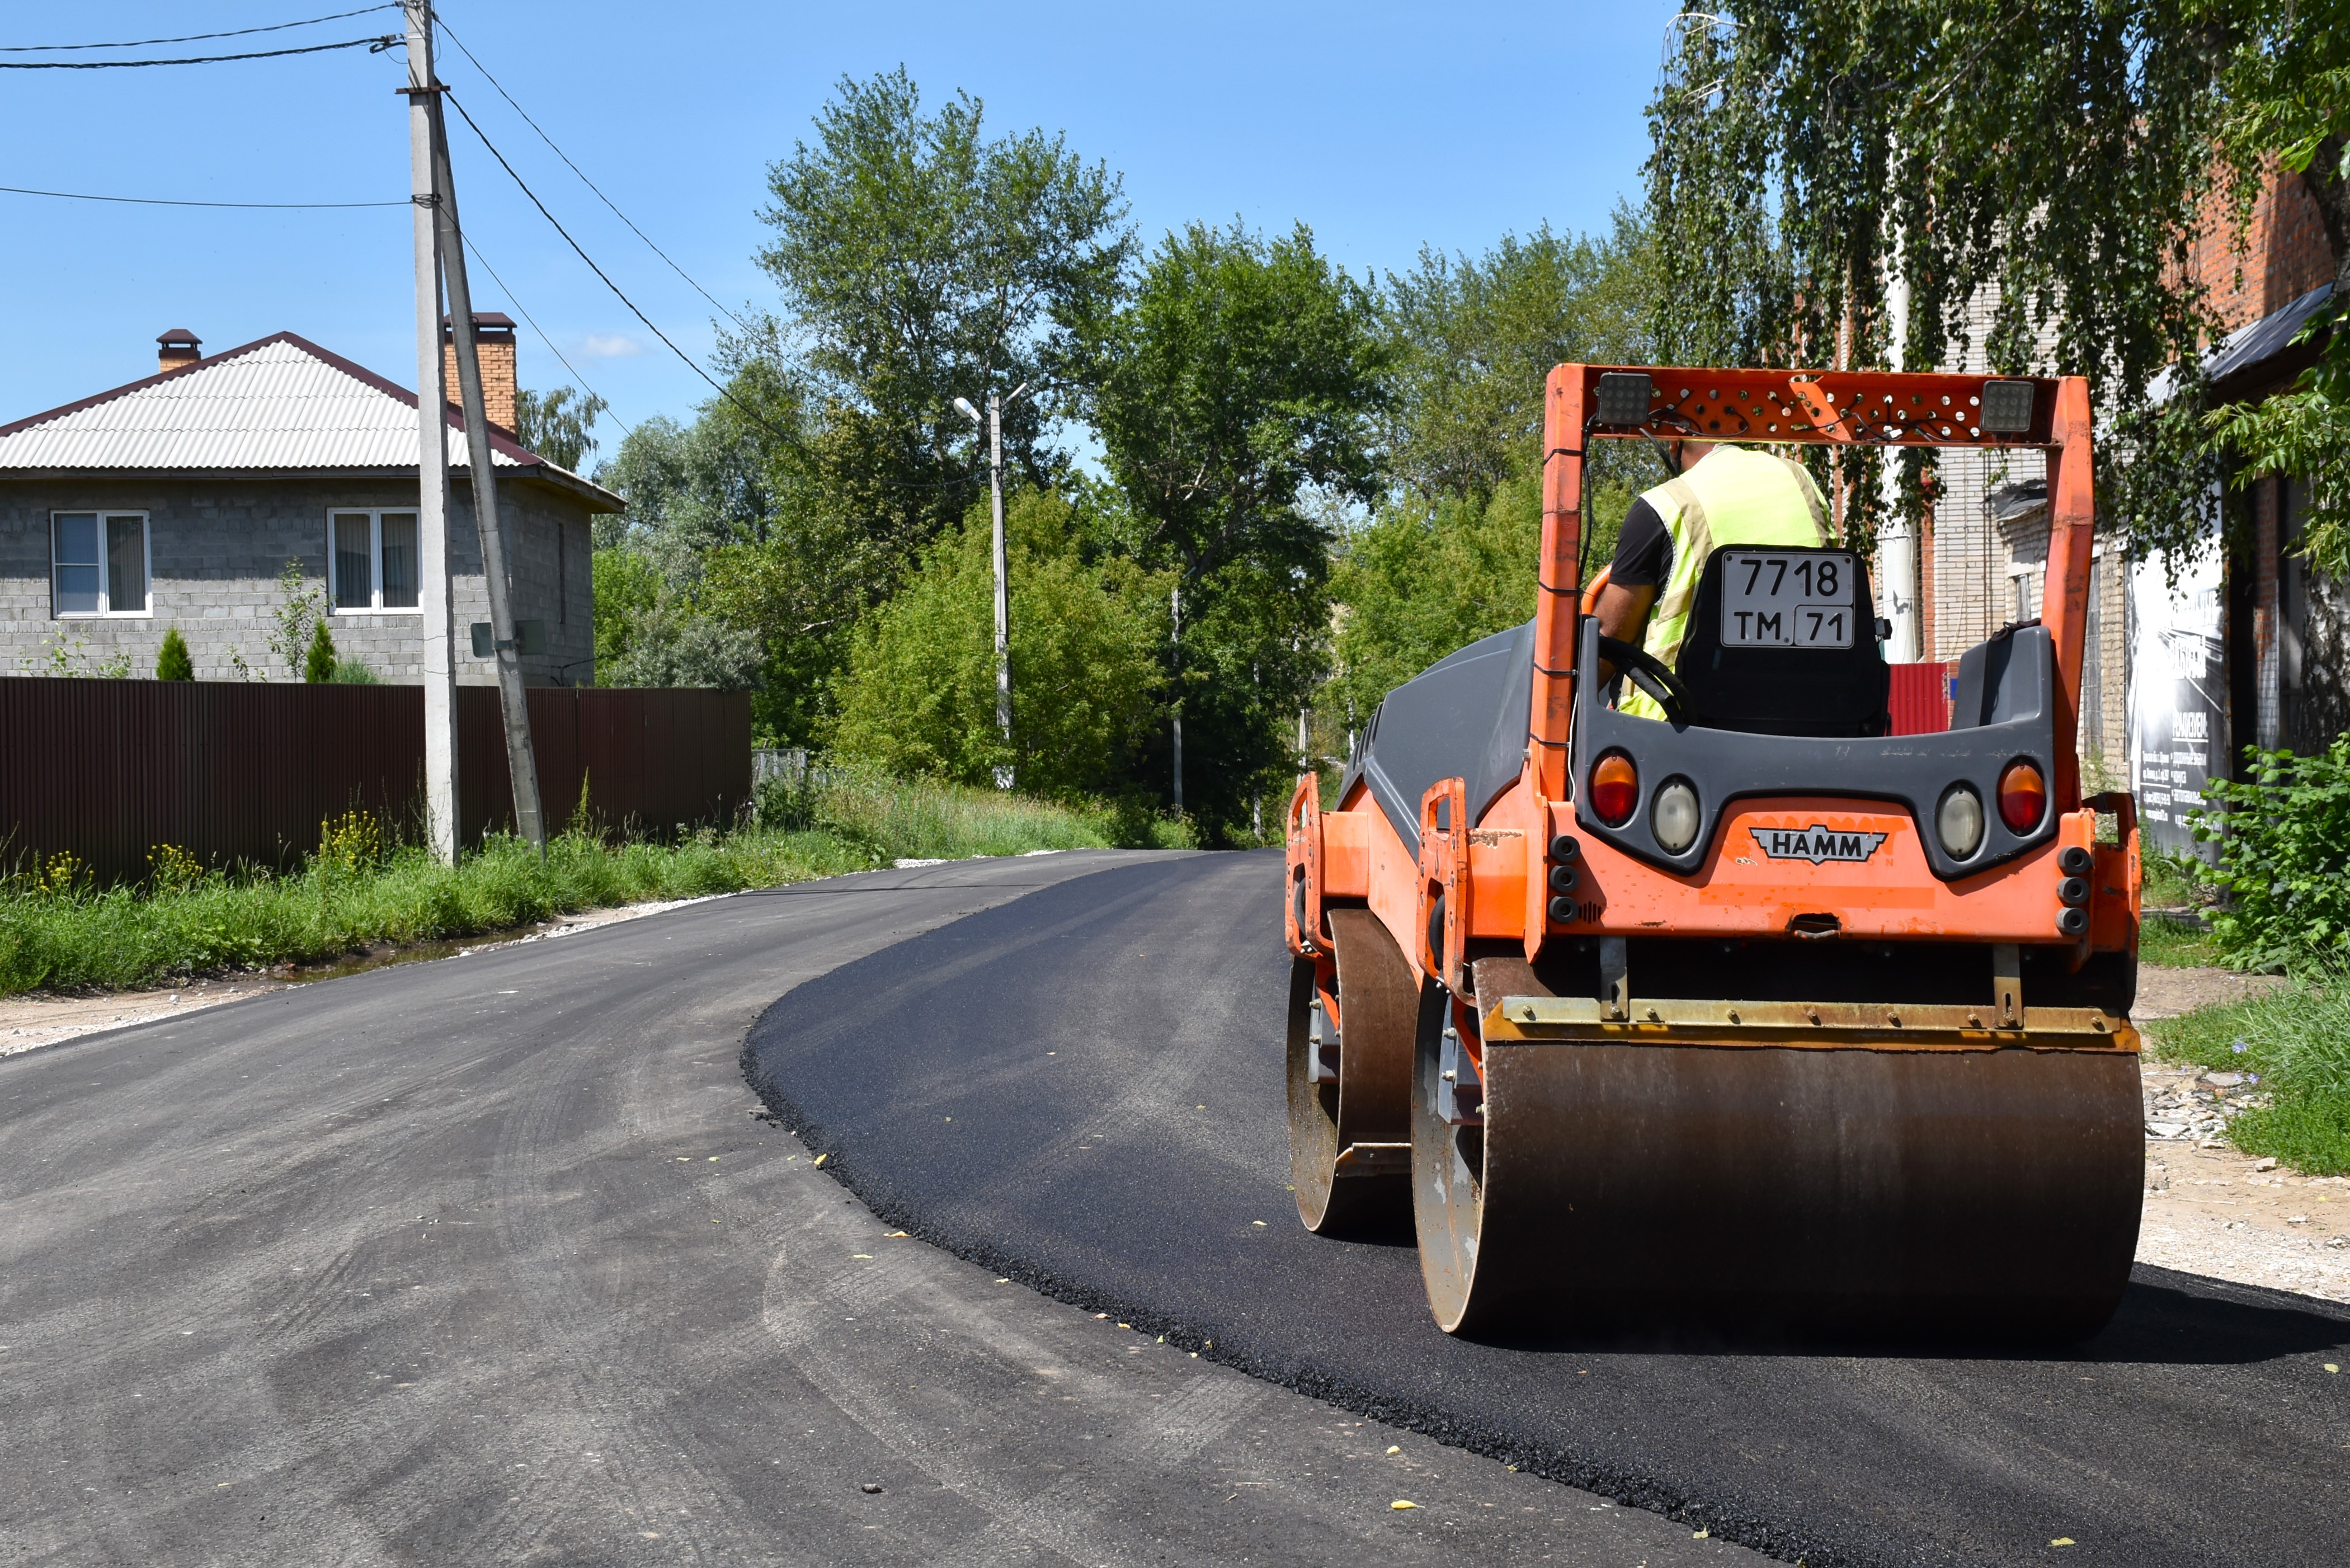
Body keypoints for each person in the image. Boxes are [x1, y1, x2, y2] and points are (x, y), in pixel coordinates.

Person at [1592, 439, 1831, 719]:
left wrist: (1565, 704)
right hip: (1811, 712)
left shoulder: (1665, 505)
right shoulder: (1801, 482)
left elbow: (1610, 636)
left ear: (1674, 442)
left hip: (1678, 726)